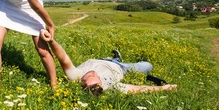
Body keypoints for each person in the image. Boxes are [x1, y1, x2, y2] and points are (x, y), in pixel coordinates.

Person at [40, 30, 177, 96]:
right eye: (97, 80)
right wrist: (165, 88)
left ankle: (115, 57)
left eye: (93, 78)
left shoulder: (75, 75)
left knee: (110, 60)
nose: (95, 75)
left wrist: (51, 41)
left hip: (103, 60)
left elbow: (63, 58)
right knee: (148, 66)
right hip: (122, 68)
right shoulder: (109, 87)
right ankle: (118, 59)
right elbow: (137, 88)